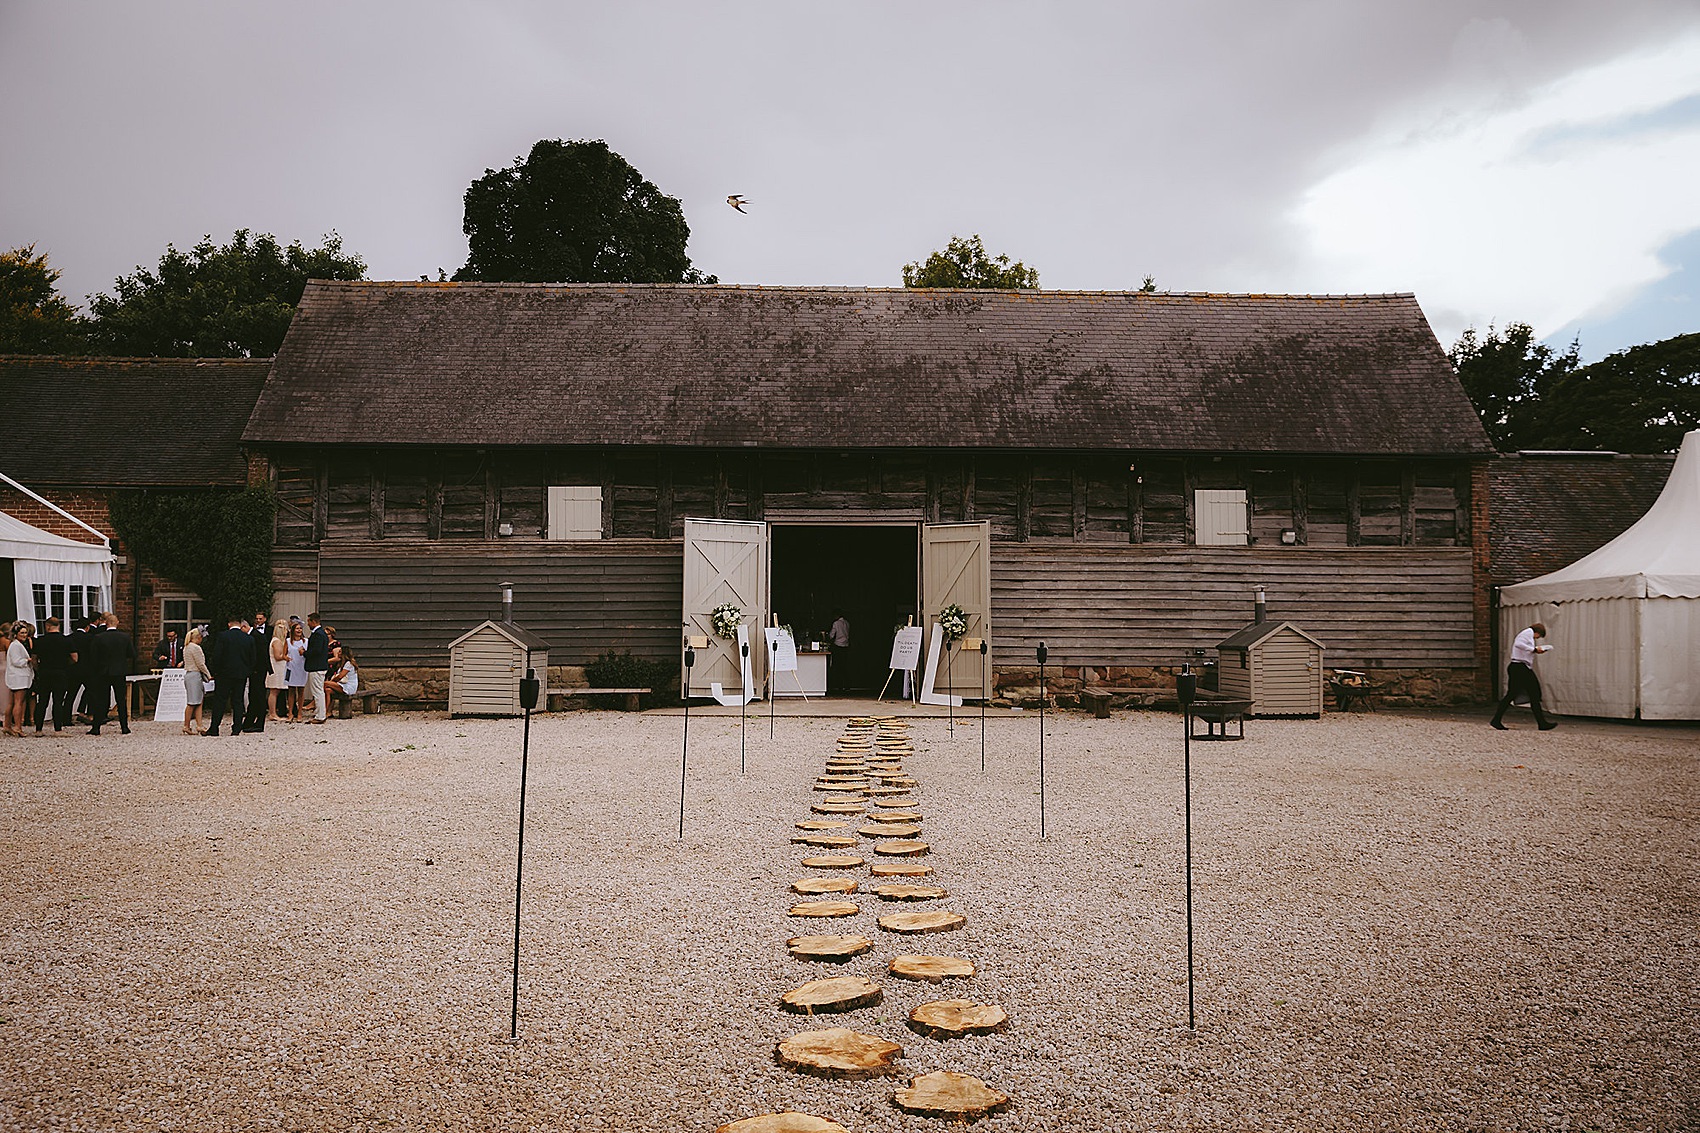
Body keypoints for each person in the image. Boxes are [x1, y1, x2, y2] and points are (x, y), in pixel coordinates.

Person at [1492, 622, 1557, 731]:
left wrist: (1535, 650)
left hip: (1518, 667)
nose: (1537, 638)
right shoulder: (1527, 633)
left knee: (1513, 694)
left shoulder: (1526, 634)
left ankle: (1496, 719)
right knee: (1534, 693)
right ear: (1537, 632)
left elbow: (1522, 647)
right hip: (1521, 667)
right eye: (1539, 636)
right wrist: (1534, 649)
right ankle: (1542, 723)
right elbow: (1519, 644)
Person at [88, 612, 137, 736]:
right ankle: (124, 727)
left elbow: (93, 656)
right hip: (119, 671)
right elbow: (132, 654)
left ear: (106, 623)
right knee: (121, 700)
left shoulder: (99, 637)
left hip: (103, 672)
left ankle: (96, 728)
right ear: (117, 623)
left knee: (101, 700)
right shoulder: (124, 637)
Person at [31, 616, 74, 733]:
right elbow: (74, 657)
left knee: (42, 701)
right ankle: (58, 729)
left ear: (47, 626)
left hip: (45, 672)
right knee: (58, 701)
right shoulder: (66, 640)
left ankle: (38, 729)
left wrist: (38, 669)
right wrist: (66, 666)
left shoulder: (40, 641)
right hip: (61, 672)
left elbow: (34, 659)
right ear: (58, 626)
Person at [4, 621, 35, 737]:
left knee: (11, 702)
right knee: (19, 702)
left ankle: (7, 725)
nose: (24, 635)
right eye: (22, 633)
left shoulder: (15, 645)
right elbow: (17, 661)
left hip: (15, 676)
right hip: (19, 677)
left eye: (26, 632)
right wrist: (27, 660)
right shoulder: (16, 646)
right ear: (16, 634)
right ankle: (17, 727)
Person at [242, 612, 271, 732]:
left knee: (258, 695)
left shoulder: (257, 636)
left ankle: (259, 723)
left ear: (244, 627)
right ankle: (249, 721)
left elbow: (261, 655)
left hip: (258, 670)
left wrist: (254, 669)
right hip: (256, 670)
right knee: (253, 696)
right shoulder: (255, 635)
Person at [182, 627, 212, 735]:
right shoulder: (195, 648)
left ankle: (199, 725)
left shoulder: (187, 647)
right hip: (195, 675)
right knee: (192, 702)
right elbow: (200, 664)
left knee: (198, 701)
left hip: (190, 674)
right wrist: (208, 675)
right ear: (198, 637)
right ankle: (186, 725)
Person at [304, 612, 330, 724]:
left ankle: (320, 716)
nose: (308, 624)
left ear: (314, 622)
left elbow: (316, 651)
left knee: (317, 692)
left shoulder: (318, 634)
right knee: (319, 691)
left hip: (317, 667)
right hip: (319, 666)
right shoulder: (321, 633)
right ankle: (320, 712)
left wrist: (305, 653)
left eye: (309, 621)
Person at [265, 620, 289, 722]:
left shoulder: (275, 640)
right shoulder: (277, 641)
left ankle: (273, 712)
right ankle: (272, 713)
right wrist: (286, 657)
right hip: (276, 668)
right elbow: (278, 656)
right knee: (274, 691)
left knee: (276, 691)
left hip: (278, 668)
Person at [284, 620, 308, 721]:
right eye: (297, 628)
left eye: (300, 628)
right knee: (291, 690)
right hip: (292, 667)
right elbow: (283, 654)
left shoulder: (306, 641)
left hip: (302, 667)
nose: (299, 630)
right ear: (293, 630)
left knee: (301, 690)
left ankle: (300, 713)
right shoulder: (288, 641)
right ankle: (290, 713)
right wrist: (287, 658)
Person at [328, 647, 360, 715]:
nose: (338, 653)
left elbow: (340, 676)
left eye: (339, 652)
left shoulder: (349, 664)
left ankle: (314, 704)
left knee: (325, 684)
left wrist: (332, 681)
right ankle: (328, 711)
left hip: (349, 686)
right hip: (342, 684)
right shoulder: (342, 664)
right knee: (327, 690)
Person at [828, 609, 852, 693]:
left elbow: (831, 635)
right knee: (844, 666)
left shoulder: (836, 623)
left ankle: (838, 686)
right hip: (846, 646)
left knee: (837, 666)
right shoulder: (847, 623)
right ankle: (846, 685)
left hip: (838, 646)